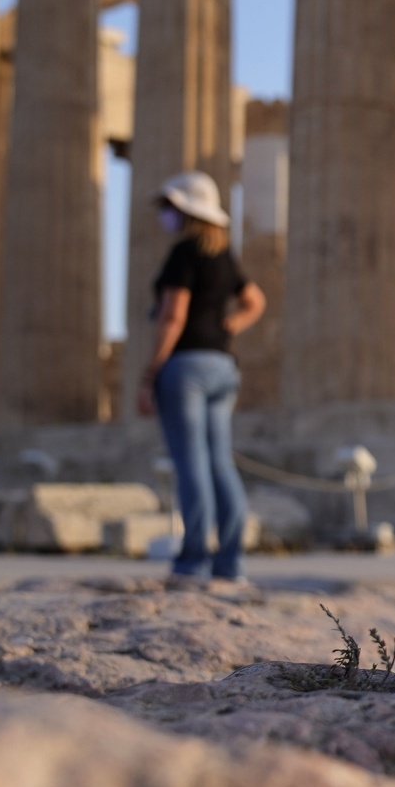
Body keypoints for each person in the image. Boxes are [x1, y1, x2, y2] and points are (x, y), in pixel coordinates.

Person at [135, 171, 267, 587]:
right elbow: (255, 301)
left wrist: (150, 370)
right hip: (223, 366)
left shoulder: (184, 254)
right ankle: (230, 565)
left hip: (186, 364)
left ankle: (192, 562)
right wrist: (225, 327)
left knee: (190, 463)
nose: (165, 217)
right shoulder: (224, 255)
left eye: (170, 209)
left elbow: (173, 316)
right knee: (219, 462)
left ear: (185, 212)